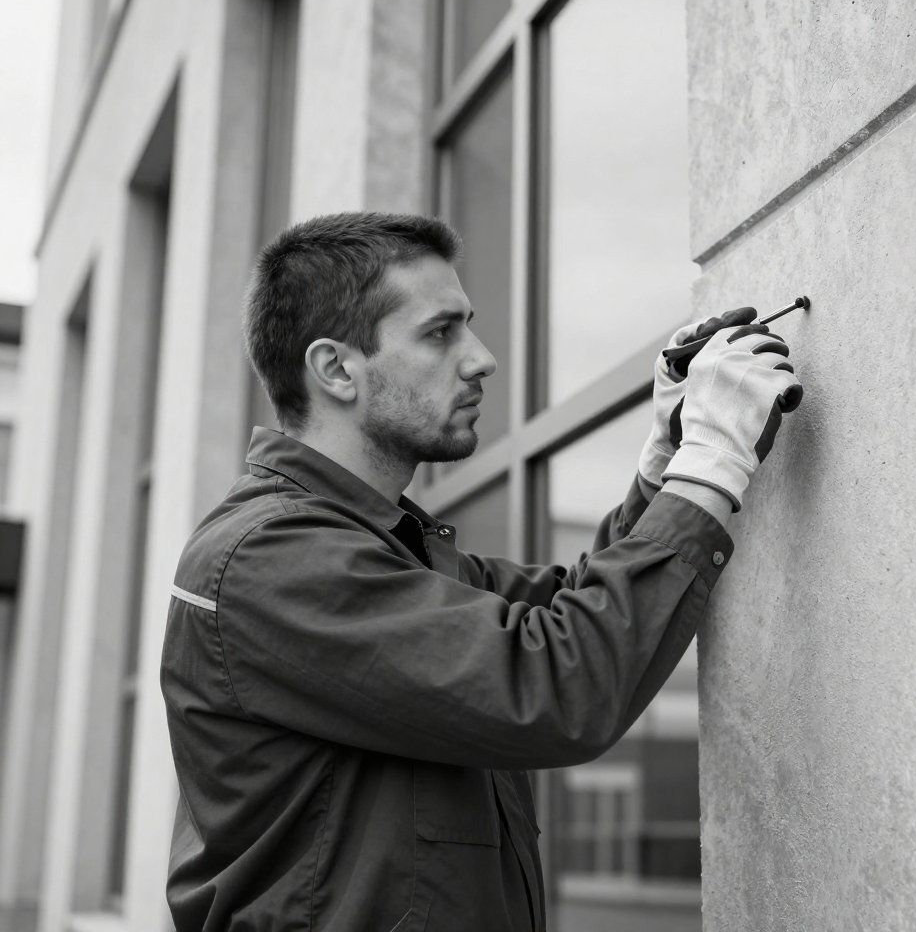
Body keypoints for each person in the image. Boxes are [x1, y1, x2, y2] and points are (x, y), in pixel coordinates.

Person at [160, 211, 802, 932]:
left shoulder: (384, 544)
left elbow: (567, 614)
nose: (481, 358)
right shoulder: (269, 558)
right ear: (336, 369)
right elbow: (558, 681)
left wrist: (663, 464)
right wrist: (712, 459)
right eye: (440, 333)